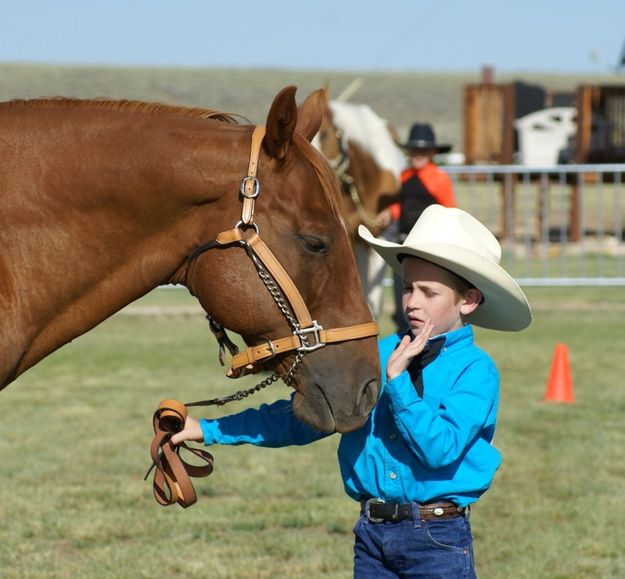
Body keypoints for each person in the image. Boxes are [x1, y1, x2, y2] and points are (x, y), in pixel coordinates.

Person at [171, 205, 532, 578]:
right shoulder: (377, 352)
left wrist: (398, 384)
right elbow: (309, 418)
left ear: (468, 300)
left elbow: (440, 449)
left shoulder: (475, 371)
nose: (411, 302)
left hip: (438, 538)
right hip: (372, 536)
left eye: (429, 292)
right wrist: (208, 429)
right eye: (408, 288)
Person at [377, 123, 457, 331]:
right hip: (404, 245)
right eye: (414, 150)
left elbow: (450, 211)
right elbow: (398, 205)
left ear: (432, 153)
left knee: (425, 294)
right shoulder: (404, 176)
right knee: (401, 294)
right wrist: (388, 213)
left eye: (423, 150)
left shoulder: (439, 179)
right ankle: (404, 336)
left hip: (429, 248)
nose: (418, 154)